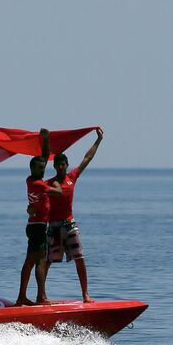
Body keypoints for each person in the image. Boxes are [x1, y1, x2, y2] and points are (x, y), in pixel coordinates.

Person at [45, 127, 104, 303]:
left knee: (80, 258)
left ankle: (85, 294)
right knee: (47, 261)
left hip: (70, 225)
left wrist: (98, 140)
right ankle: (42, 295)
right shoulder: (49, 183)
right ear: (55, 166)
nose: (61, 167)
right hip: (54, 227)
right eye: (58, 165)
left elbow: (88, 158)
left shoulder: (72, 177)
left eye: (64, 164)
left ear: (67, 165)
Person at [17, 128, 62, 306]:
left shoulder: (30, 179)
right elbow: (58, 192)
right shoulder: (37, 183)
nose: (43, 170)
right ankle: (40, 297)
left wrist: (45, 139)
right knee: (39, 261)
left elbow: (44, 156)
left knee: (31, 261)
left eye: (43, 168)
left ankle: (23, 297)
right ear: (32, 169)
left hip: (34, 225)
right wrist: (55, 181)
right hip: (38, 227)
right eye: (40, 168)